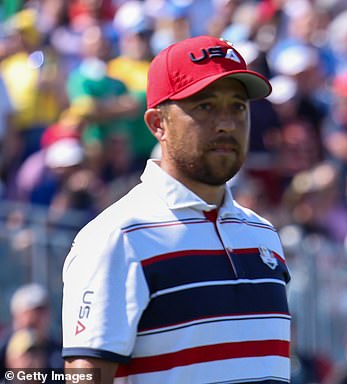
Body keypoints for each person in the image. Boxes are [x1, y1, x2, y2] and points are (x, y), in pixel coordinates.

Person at [61, 36, 291, 383]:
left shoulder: (263, 234)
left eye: (238, 107)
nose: (226, 123)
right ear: (157, 124)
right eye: (205, 106)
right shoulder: (117, 238)